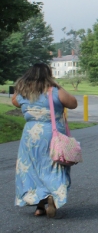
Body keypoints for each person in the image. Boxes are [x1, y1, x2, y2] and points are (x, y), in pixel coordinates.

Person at [12, 63, 78, 218]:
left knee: (33, 169)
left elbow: (15, 102)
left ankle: (39, 207)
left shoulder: (24, 93)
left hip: (30, 136)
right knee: (54, 166)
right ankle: (51, 195)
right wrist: (57, 86)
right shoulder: (54, 91)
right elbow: (73, 103)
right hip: (52, 135)